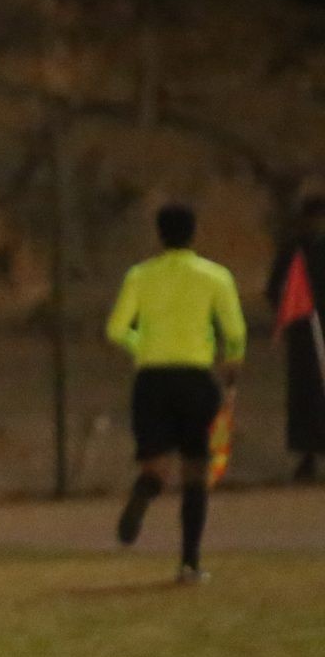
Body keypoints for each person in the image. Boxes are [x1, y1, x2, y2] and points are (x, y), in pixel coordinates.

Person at [106, 204, 247, 585]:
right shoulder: (215, 276)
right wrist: (232, 361)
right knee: (195, 471)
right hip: (194, 378)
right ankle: (188, 563)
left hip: (151, 379)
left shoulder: (139, 276)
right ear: (193, 232)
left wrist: (145, 345)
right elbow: (234, 330)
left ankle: (144, 490)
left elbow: (116, 328)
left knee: (155, 465)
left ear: (159, 234)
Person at [263, 195, 325, 482]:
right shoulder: (295, 251)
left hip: (307, 332)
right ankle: (308, 455)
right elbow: (276, 288)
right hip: (304, 334)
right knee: (306, 396)